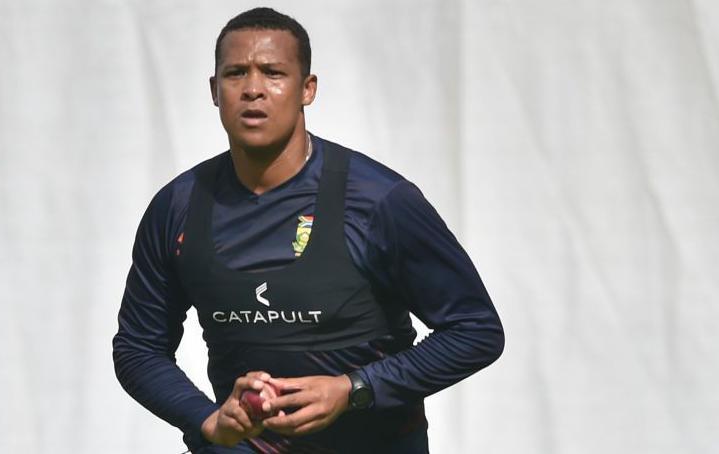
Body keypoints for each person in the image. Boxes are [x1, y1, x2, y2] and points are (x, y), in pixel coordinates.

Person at [113, 7, 504, 453]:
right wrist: (206, 420)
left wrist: (353, 388)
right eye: (236, 73)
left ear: (307, 89)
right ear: (214, 91)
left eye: (273, 73)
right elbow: (137, 348)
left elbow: (475, 330)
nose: (254, 89)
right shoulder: (177, 208)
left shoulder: (380, 201)